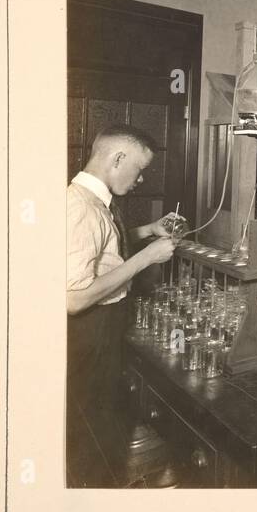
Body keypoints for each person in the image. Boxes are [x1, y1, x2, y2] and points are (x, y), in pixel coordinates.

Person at [66, 126, 181, 485]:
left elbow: (104, 250)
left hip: (104, 327)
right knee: (92, 433)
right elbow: (73, 298)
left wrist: (148, 231)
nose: (141, 179)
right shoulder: (80, 207)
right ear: (117, 159)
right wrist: (147, 258)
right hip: (90, 331)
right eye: (139, 168)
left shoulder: (92, 202)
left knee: (103, 425)